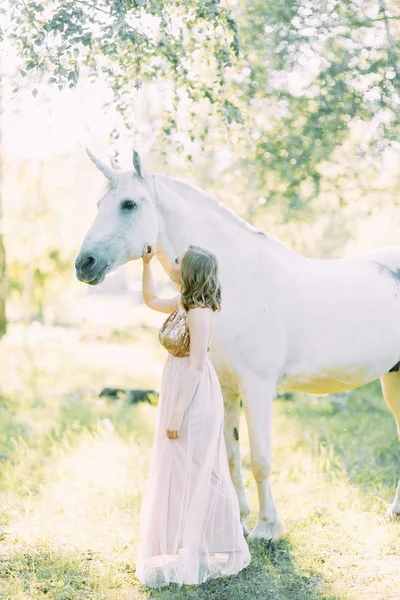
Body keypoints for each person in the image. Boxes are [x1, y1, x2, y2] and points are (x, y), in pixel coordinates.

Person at [135, 243, 251, 588]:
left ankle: (219, 544)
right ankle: (189, 545)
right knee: (180, 469)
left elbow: (198, 366)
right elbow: (151, 300)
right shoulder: (185, 301)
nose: (173, 264)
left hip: (194, 396)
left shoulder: (199, 312)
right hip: (178, 387)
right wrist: (146, 265)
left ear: (191, 271)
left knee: (199, 471)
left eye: (178, 261)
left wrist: (177, 413)